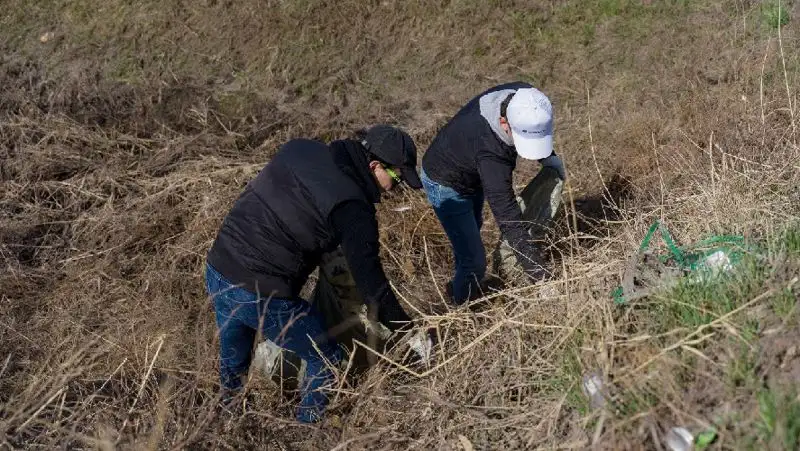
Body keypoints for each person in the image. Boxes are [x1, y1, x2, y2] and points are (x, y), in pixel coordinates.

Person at [204, 125, 423, 423]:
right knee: (327, 361)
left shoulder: (300, 148)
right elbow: (372, 284)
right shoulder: (353, 209)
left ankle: (224, 425)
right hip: (261, 294)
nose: (394, 189)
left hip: (219, 266)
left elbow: (292, 208)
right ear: (374, 166)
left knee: (233, 364)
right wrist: (406, 330)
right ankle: (306, 431)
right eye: (396, 178)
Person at [420, 82, 566, 305]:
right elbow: (509, 220)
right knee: (474, 261)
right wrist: (540, 277)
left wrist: (549, 158)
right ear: (503, 122)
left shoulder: (525, 98)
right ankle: (462, 307)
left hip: (469, 165)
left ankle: (462, 276)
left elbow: (536, 127)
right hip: (445, 182)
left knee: (471, 234)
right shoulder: (491, 154)